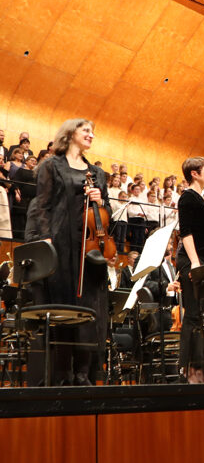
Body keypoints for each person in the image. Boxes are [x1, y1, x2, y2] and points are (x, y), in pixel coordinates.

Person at [33, 118, 110, 385]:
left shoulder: (97, 173)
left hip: (89, 249)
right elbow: (42, 205)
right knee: (65, 304)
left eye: (93, 132)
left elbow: (106, 212)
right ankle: (63, 373)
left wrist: (101, 201)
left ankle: (83, 373)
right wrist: (45, 239)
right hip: (61, 244)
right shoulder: (51, 166)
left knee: (90, 308)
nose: (91, 135)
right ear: (70, 133)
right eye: (86, 130)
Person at [175, 156, 204, 383]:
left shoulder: (201, 198)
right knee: (193, 315)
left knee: (201, 315)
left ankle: (199, 369)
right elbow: (186, 233)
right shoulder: (187, 198)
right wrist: (195, 262)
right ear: (194, 173)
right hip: (193, 261)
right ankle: (186, 370)